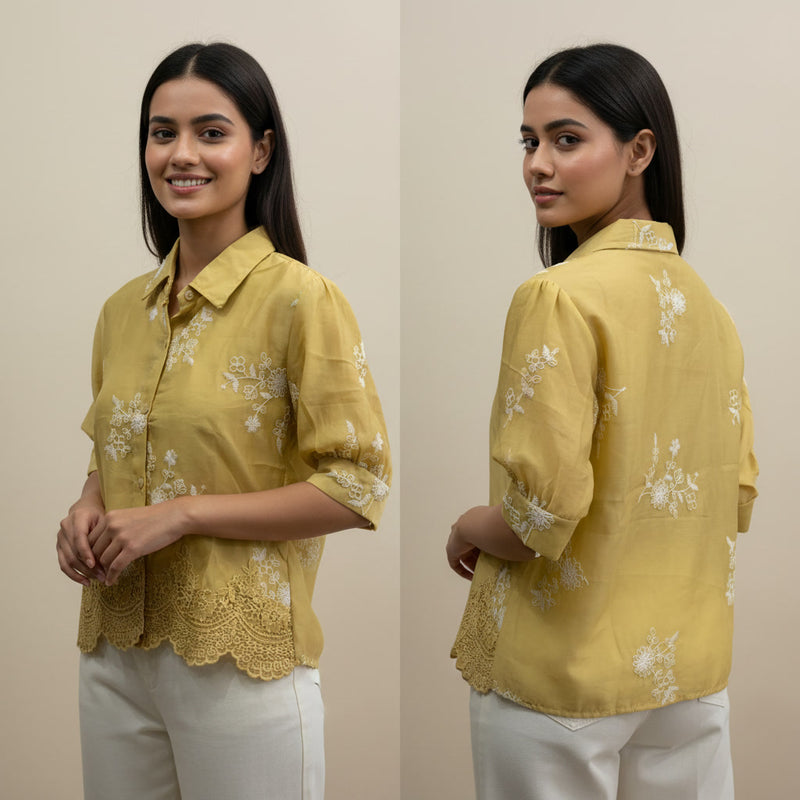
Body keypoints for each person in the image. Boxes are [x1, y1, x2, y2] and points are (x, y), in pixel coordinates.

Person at [56, 42, 391, 800]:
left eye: (211, 132)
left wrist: (180, 515)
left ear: (260, 151)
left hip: (241, 661)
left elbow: (358, 486)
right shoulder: (123, 310)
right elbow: (114, 451)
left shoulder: (301, 300)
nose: (181, 154)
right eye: (162, 133)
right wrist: (86, 506)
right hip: (113, 651)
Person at [447, 44, 757, 800]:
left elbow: (538, 516)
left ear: (639, 151)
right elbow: (738, 495)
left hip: (561, 677)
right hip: (689, 678)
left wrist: (467, 525)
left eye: (566, 139)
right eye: (529, 142)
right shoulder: (711, 311)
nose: (538, 165)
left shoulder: (559, 295)